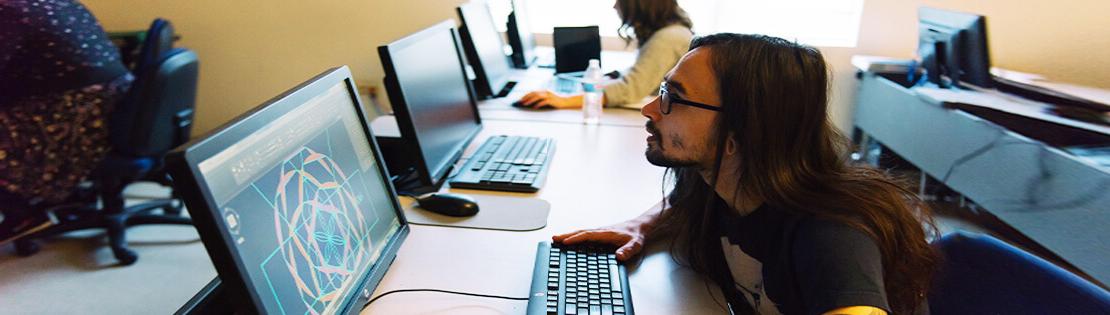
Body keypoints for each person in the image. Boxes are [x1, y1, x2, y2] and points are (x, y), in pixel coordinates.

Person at [554, 34, 939, 315]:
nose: (650, 109)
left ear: (738, 136)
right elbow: (681, 199)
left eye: (673, 96)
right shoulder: (718, 179)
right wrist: (642, 224)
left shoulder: (832, 232)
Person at [0, 0, 132, 244]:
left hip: (70, 122)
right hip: (113, 115)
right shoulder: (65, 4)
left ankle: (22, 212)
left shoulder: (9, 12)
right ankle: (53, 199)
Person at [516, 0, 693, 109]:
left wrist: (563, 100)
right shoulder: (672, 32)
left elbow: (630, 90)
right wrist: (616, 75)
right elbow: (646, 74)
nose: (615, 5)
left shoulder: (668, 38)